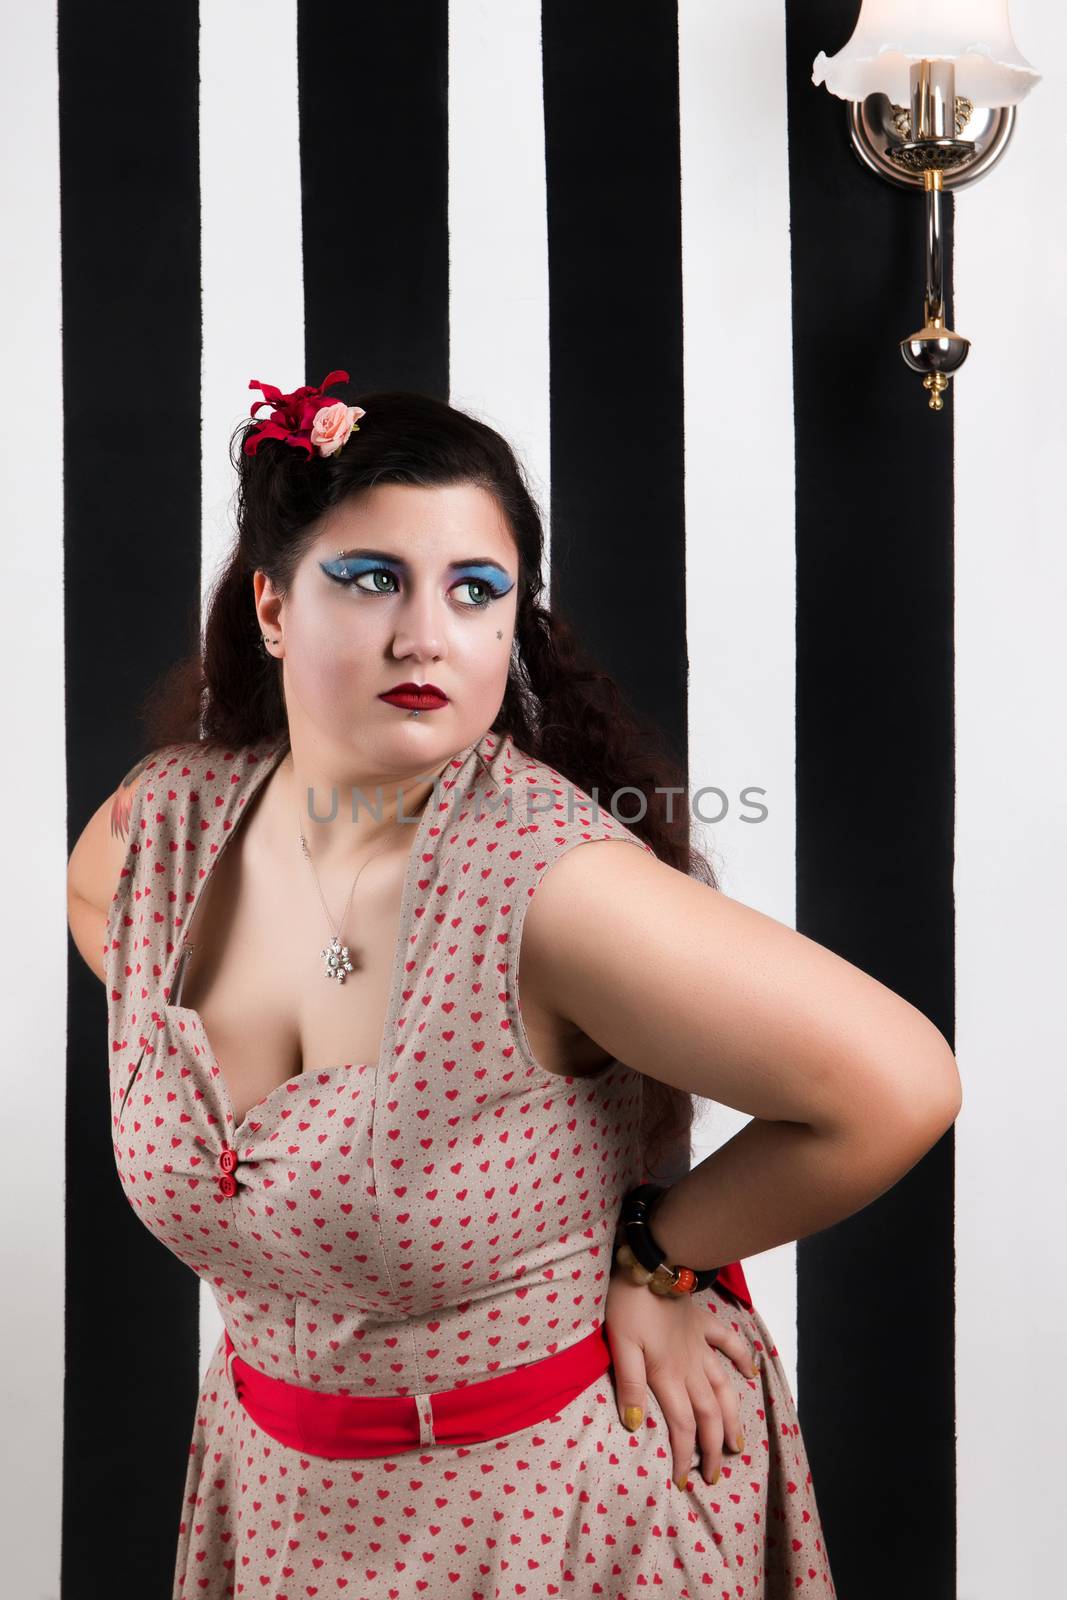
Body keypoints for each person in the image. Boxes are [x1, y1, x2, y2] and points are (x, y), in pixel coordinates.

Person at [67, 372, 961, 1597]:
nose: (423, 633)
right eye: (370, 576)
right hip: (276, 1501)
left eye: (474, 591)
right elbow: (95, 913)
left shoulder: (550, 886)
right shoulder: (166, 822)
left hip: (549, 1505)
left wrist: (662, 1256)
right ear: (272, 606)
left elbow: (897, 1083)